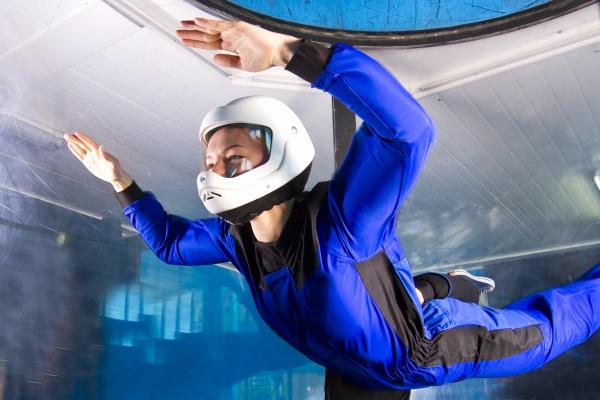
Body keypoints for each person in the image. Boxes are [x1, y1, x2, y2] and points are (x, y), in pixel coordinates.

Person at [64, 18, 600, 399]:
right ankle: (443, 284)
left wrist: (287, 54)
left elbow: (407, 133)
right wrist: (121, 182)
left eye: (232, 158)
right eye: (211, 160)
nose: (214, 172)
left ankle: (446, 289)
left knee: (547, 334)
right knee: (394, 293)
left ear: (279, 154)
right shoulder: (236, 239)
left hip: (425, 352)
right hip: (357, 360)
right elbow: (172, 245)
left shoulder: (341, 225)